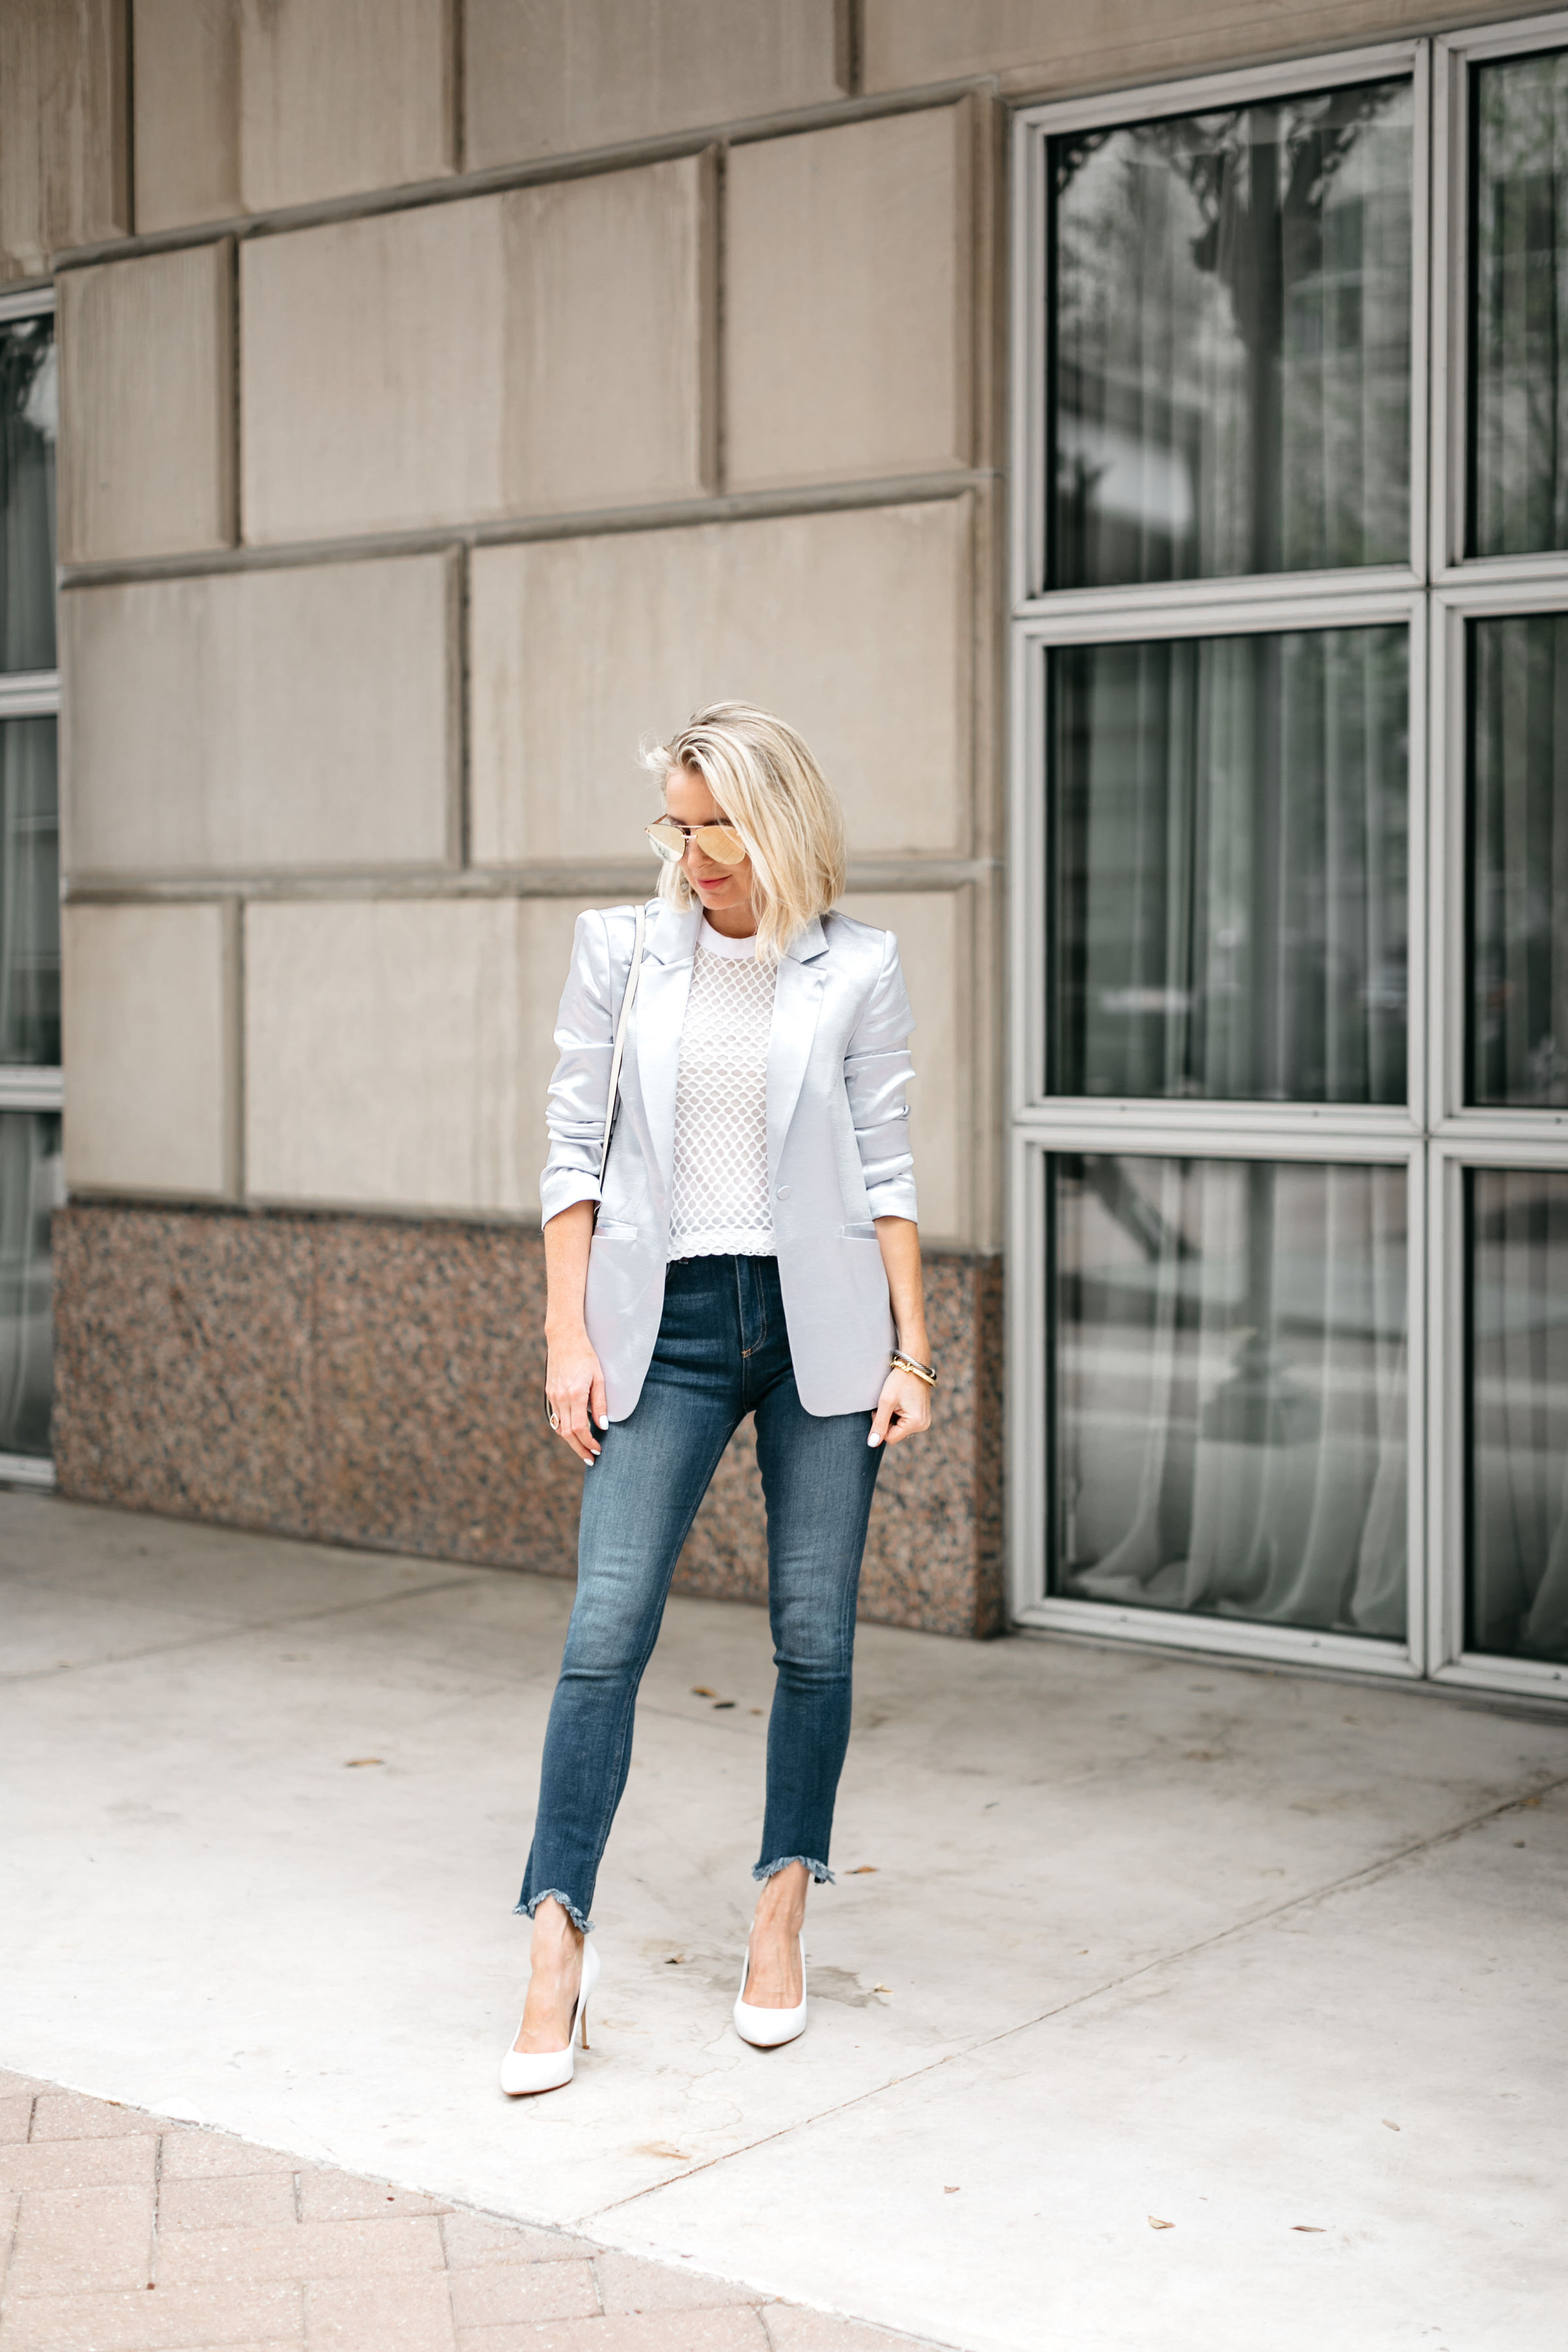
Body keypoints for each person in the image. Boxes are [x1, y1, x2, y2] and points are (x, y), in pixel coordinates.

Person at [501, 702, 935, 2096]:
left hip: (821, 1330)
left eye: (714, 828)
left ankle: (781, 1907)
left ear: (778, 822)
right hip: (666, 1325)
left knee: (814, 1635)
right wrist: (569, 1337)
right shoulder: (621, 956)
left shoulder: (855, 968)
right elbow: (574, 1148)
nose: (690, 856)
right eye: (674, 829)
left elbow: (887, 1174)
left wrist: (915, 1351)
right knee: (605, 1628)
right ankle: (557, 1944)